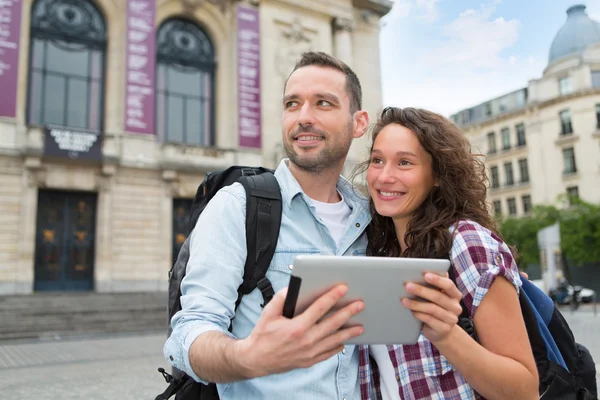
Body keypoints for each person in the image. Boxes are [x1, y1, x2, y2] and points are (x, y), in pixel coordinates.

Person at [164, 51, 372, 399]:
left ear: (359, 122)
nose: (303, 117)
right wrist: (247, 358)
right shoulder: (238, 205)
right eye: (292, 103)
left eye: (323, 103)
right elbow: (190, 330)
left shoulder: (373, 220)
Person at [357, 106, 539, 400]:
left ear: (438, 175)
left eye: (404, 162)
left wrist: (445, 334)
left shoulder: (467, 242)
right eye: (377, 160)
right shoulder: (375, 250)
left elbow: (524, 391)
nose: (384, 176)